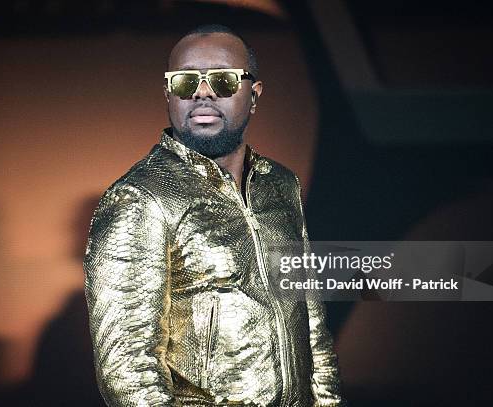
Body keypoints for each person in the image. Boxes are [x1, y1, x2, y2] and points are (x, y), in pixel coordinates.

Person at [83, 24, 343, 407]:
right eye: (186, 82)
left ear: (253, 95)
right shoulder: (139, 198)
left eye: (222, 81)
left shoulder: (281, 185)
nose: (203, 93)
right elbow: (127, 368)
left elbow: (312, 326)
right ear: (169, 94)